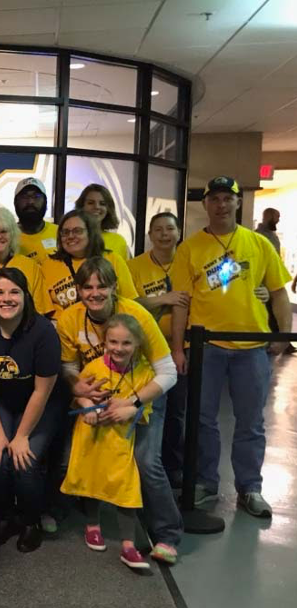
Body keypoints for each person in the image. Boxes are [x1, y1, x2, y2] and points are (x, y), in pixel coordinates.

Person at [171, 176, 292, 518]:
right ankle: (206, 483)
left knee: (251, 422)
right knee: (203, 420)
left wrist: (282, 335)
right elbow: (181, 302)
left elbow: (279, 292)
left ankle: (249, 487)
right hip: (207, 346)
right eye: (215, 199)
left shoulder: (259, 244)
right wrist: (179, 348)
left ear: (238, 203)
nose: (221, 205)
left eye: (228, 198)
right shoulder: (190, 248)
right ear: (205, 204)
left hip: (252, 348)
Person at [58, 257, 181, 564]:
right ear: (78, 290)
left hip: (141, 395)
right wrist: (82, 394)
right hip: (97, 401)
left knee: (145, 460)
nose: (94, 293)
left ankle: (167, 534)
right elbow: (68, 367)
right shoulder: (69, 319)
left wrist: (133, 404)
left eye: (102, 285)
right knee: (85, 457)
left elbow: (167, 372)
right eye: (87, 287)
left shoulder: (137, 314)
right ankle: (84, 517)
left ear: (114, 287)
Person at [0, 267, 61, 552]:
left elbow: (42, 391)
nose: (7, 299)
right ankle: (4, 517)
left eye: (14, 292)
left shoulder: (43, 331)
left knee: (25, 461)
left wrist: (21, 436)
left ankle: (31, 521)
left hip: (37, 402)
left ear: (26, 296)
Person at [61, 314, 157, 571]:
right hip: (92, 438)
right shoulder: (93, 368)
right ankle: (93, 526)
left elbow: (144, 410)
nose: (119, 348)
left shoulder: (145, 372)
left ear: (137, 344)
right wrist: (88, 407)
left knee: (126, 490)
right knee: (92, 480)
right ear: (105, 342)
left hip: (119, 442)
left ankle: (128, 545)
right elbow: (79, 395)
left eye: (126, 343)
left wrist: (128, 410)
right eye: (113, 342)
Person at [128, 212, 190, 489]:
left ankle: (172, 465)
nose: (164, 234)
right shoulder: (135, 265)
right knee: (145, 410)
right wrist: (163, 298)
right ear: (150, 235)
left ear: (178, 232)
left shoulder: (187, 262)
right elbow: (131, 301)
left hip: (182, 348)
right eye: (158, 230)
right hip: (143, 351)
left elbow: (193, 300)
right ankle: (140, 466)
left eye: (170, 229)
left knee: (177, 411)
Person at [39, 210, 137, 322]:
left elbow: (130, 303)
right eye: (65, 232)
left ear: (90, 233)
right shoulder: (48, 265)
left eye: (77, 231)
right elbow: (46, 311)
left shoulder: (112, 259)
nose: (70, 236)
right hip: (65, 330)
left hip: (109, 328)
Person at [75, 183, 131, 260]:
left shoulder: (118, 241)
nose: (97, 207)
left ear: (108, 209)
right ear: (81, 206)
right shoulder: (71, 238)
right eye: (91, 203)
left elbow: (121, 271)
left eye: (102, 204)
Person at [13, 177, 58, 261]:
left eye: (36, 196)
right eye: (24, 197)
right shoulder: (6, 237)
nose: (30, 201)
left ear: (45, 201)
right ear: (15, 202)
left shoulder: (59, 233)